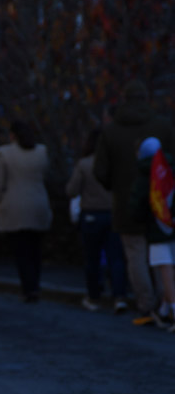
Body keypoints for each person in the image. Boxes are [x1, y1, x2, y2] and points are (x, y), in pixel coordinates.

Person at [94, 79, 175, 324]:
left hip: (125, 203)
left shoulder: (111, 131)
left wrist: (118, 186)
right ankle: (166, 302)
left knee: (135, 256)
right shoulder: (163, 126)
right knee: (163, 255)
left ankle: (146, 304)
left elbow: (100, 171)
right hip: (161, 203)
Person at [66, 128, 127, 313]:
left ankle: (94, 297)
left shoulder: (84, 164)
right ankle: (119, 297)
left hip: (91, 215)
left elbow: (71, 190)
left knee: (92, 259)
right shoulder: (117, 164)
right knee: (116, 258)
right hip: (113, 214)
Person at [0, 120, 52, 302]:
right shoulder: (41, 152)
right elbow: (46, 176)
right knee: (36, 250)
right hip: (39, 204)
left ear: (12, 135)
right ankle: (35, 286)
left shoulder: (4, 153)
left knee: (21, 251)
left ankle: (28, 288)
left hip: (14, 206)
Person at [129, 137, 175, 329]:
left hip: (157, 227)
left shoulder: (144, 175)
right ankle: (164, 309)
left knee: (165, 268)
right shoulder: (169, 167)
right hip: (170, 222)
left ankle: (171, 308)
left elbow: (137, 206)